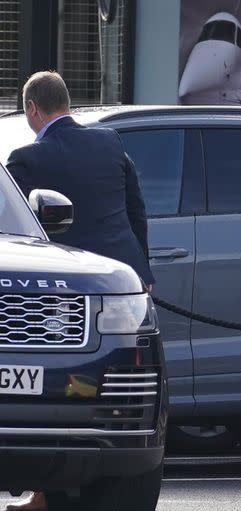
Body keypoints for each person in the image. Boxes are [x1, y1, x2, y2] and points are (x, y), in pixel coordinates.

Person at [5, 71, 155, 511]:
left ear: (33, 109)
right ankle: (46, 496)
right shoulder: (109, 142)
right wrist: (141, 269)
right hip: (122, 284)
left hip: (59, 296)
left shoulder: (28, 157)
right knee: (116, 391)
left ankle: (43, 494)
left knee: (54, 394)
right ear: (66, 103)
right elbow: (135, 207)